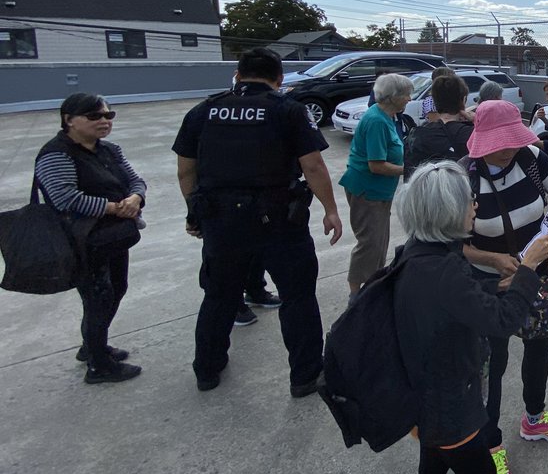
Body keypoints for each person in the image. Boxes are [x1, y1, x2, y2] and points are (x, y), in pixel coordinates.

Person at [395, 161, 548, 474]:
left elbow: (453, 298)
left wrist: (491, 284)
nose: (475, 205)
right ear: (449, 211)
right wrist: (529, 269)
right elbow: (502, 321)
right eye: (469, 200)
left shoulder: (416, 254)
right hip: (451, 398)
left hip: (420, 394)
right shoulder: (447, 269)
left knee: (431, 468)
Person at [173, 47, 343, 396]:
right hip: (279, 221)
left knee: (218, 296)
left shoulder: (203, 111)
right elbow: (312, 165)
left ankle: (207, 369)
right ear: (279, 78)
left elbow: (186, 169)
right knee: (297, 298)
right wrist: (331, 209)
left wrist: (195, 212)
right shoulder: (289, 111)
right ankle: (306, 375)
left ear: (237, 75)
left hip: (221, 222)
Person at [461, 100, 548, 474]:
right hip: (490, 287)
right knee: (491, 365)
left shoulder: (531, 157)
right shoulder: (463, 176)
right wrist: (489, 258)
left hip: (535, 277)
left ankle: (534, 417)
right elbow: (450, 242)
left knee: (539, 346)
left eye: (513, 141)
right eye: (501, 144)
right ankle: (490, 444)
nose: (508, 149)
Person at [34, 93, 146, 384]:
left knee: (116, 288)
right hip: (82, 241)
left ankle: (93, 345)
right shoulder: (56, 154)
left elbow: (134, 179)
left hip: (113, 236)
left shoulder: (109, 149)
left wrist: (136, 197)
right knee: (97, 297)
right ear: (69, 120)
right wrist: (114, 208)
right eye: (95, 116)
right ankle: (99, 366)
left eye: (108, 116)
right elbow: (64, 198)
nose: (104, 121)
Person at [339, 73, 413, 296]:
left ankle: (373, 286)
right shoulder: (376, 121)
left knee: (379, 242)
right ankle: (356, 295)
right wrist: (410, 169)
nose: (410, 98)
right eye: (406, 94)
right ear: (393, 97)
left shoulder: (387, 116)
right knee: (369, 244)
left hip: (379, 192)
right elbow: (376, 165)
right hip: (367, 191)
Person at [405, 75, 474, 176]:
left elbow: (409, 173)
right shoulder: (471, 134)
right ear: (463, 100)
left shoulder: (417, 134)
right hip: (460, 189)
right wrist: (476, 121)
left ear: (435, 101)